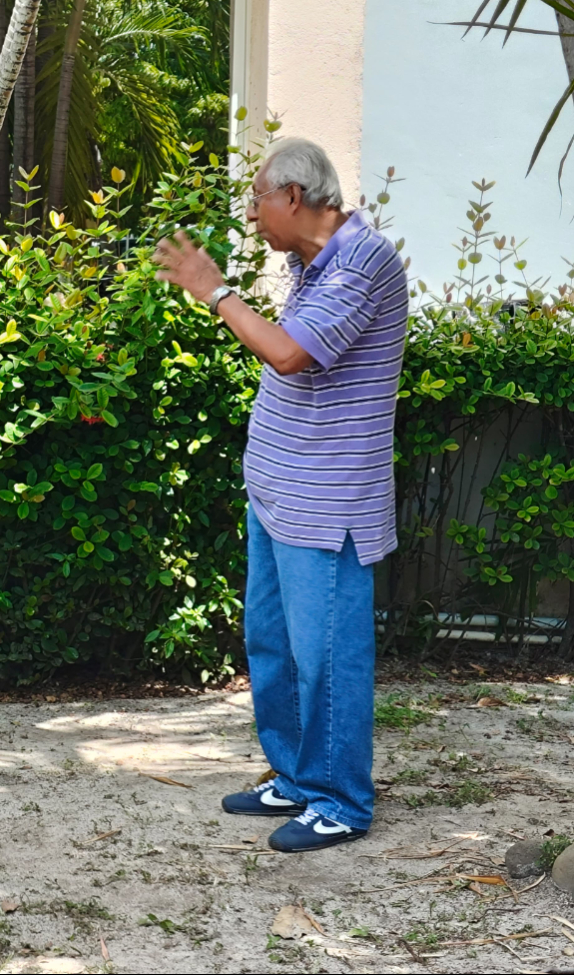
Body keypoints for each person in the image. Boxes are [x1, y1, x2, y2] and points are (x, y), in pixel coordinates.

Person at [153, 138, 409, 853]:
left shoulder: (363, 261)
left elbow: (290, 353)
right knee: (274, 645)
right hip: (278, 495)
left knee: (327, 655)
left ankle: (341, 800)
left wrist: (215, 289)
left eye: (256, 200)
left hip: (327, 506)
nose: (251, 216)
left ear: (293, 197)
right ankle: (297, 776)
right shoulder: (310, 264)